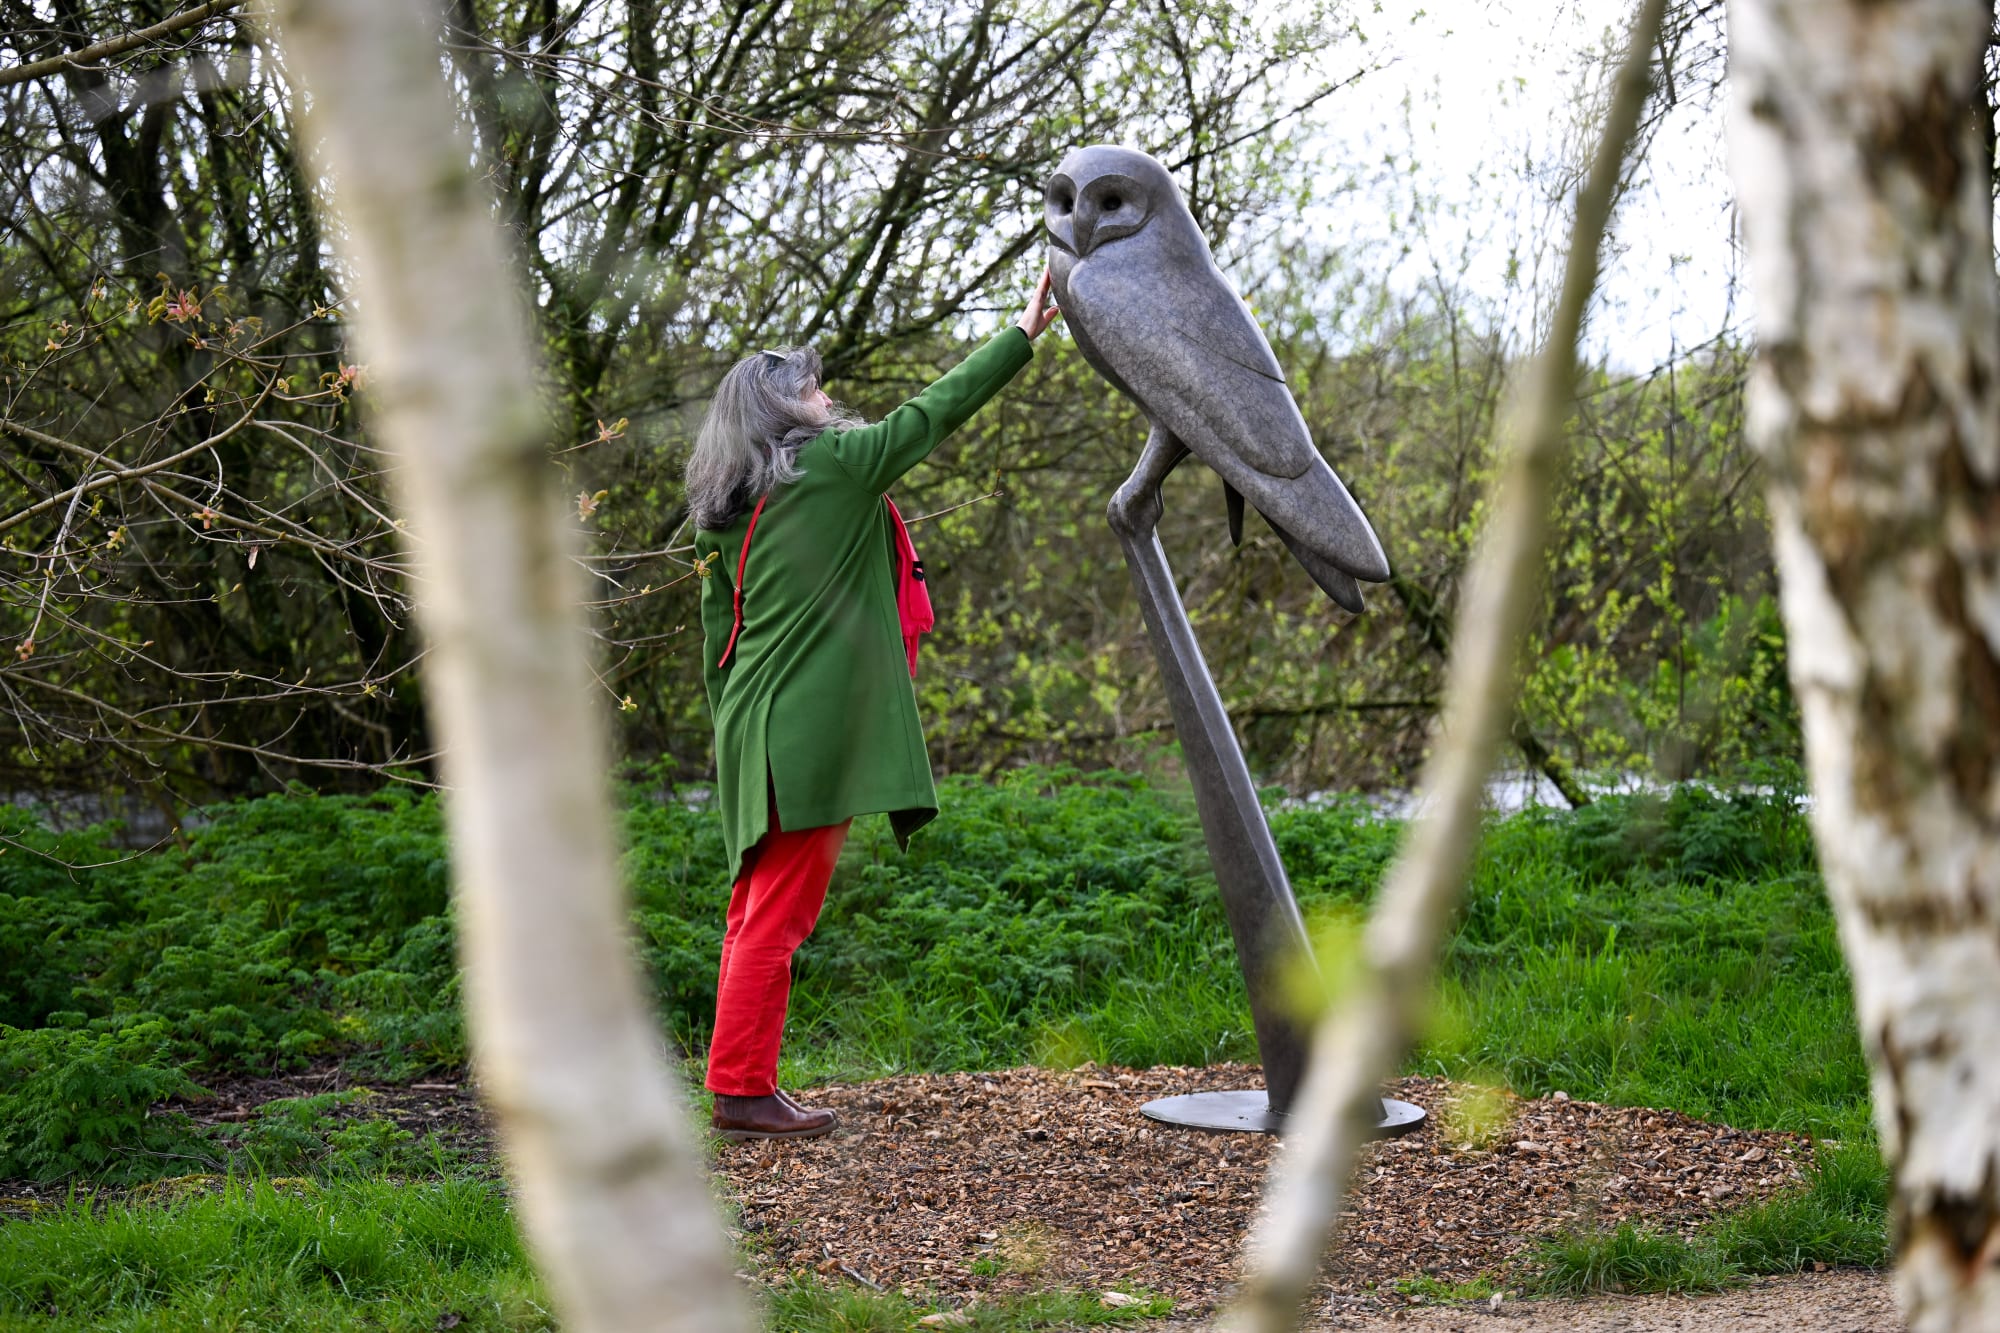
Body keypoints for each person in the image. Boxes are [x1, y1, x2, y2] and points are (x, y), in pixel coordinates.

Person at [686, 272, 1062, 1140]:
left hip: (751, 728)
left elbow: (717, 643)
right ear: (785, 409)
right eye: (813, 387)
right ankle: (741, 1089)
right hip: (810, 738)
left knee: (753, 906)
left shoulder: (721, 510)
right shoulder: (841, 470)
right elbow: (935, 410)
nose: (828, 397)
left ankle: (741, 1079)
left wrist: (736, 737)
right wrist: (1022, 332)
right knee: (777, 911)